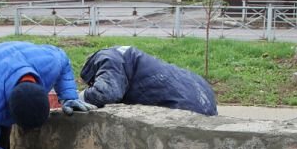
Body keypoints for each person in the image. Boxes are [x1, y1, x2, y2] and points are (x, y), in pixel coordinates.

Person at [79, 46, 218, 116]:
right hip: (202, 99)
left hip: (188, 110)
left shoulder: (107, 59)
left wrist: (81, 96)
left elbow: (107, 93)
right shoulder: (130, 58)